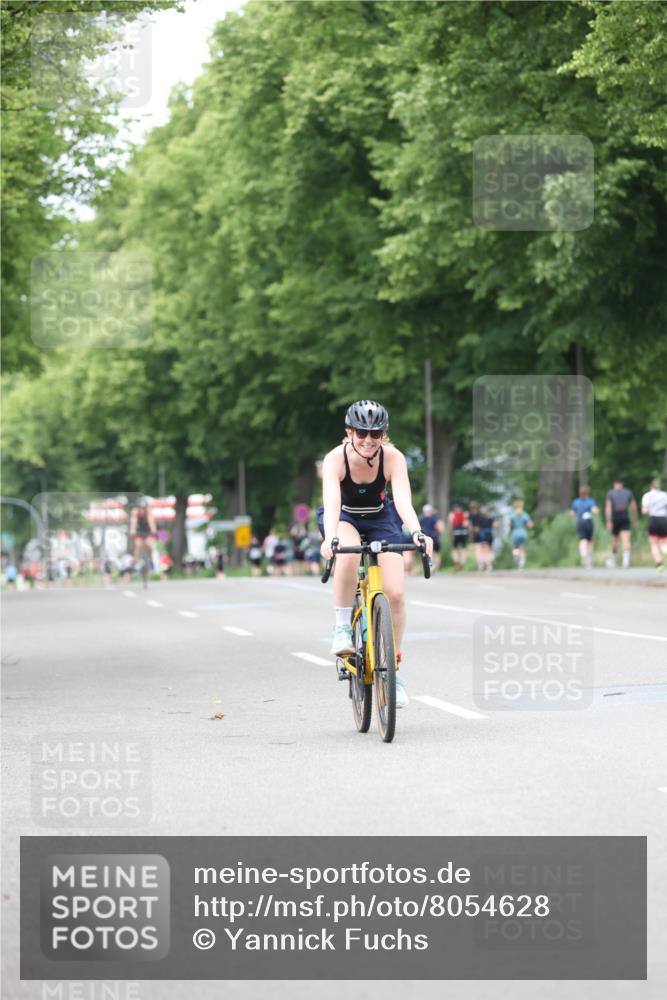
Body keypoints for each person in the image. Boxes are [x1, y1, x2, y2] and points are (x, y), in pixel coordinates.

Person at [318, 399, 434, 709]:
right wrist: (330, 537)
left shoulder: (393, 458)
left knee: (395, 593)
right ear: (349, 431)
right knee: (349, 553)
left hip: (382, 518)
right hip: (345, 517)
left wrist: (418, 532)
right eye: (361, 433)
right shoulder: (335, 459)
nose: (368, 440)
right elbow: (331, 502)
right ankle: (342, 625)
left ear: (384, 434)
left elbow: (404, 502)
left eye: (376, 433)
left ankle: (393, 670)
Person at [605, 477, 637, 568]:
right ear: (622, 484)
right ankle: (625, 561)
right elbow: (633, 506)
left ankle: (613, 560)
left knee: (615, 539)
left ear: (614, 484)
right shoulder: (628, 492)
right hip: (625, 516)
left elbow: (608, 507)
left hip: (615, 517)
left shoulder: (611, 493)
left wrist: (608, 520)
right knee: (626, 538)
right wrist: (634, 518)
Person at [641, 477, 667, 571]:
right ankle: (665, 551)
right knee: (664, 542)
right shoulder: (664, 495)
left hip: (653, 519)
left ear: (651, 486)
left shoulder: (647, 496)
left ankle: (659, 564)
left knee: (653, 543)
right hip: (663, 519)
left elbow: (644, 510)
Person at [570, 485, 599, 569]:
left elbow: (573, 513)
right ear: (587, 492)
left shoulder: (576, 502)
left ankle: (583, 556)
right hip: (589, 521)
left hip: (580, 522)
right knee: (589, 541)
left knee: (582, 540)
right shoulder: (590, 501)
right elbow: (594, 510)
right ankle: (589, 560)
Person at [129, 496, 157, 580]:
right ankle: (136, 563)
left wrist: (153, 530)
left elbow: (151, 520)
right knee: (138, 545)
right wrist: (132, 530)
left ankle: (151, 561)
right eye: (140, 507)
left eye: (143, 507)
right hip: (138, 531)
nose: (142, 509)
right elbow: (133, 521)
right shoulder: (135, 511)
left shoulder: (148, 511)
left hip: (147, 531)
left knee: (149, 544)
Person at [507, 499, 533, 570]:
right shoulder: (525, 514)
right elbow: (530, 524)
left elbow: (507, 523)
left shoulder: (512, 514)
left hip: (515, 532)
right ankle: (522, 564)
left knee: (515, 548)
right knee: (522, 548)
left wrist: (511, 525)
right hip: (523, 532)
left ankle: (516, 556)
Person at [420, 503, 445, 571]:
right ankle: (436, 568)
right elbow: (440, 528)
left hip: (426, 538)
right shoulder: (434, 518)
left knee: (428, 553)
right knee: (436, 553)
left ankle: (431, 566)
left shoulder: (421, 519)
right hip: (434, 538)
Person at [447, 503, 469, 571]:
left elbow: (450, 525)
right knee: (463, 549)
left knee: (454, 549)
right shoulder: (465, 514)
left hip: (456, 533)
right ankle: (462, 562)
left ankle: (456, 561)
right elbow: (467, 524)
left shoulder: (452, 515)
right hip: (464, 533)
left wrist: (449, 534)